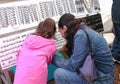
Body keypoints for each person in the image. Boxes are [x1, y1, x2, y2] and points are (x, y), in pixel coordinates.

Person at [52, 13, 114, 84]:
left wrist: (52, 57)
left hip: (102, 80)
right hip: (102, 75)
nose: (62, 36)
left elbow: (73, 66)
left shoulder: (80, 35)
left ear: (65, 28)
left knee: (59, 74)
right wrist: (69, 50)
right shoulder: (82, 29)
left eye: (60, 32)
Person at [13, 18, 57, 84]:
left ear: (38, 29)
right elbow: (49, 60)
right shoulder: (51, 45)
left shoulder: (27, 40)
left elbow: (18, 56)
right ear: (53, 32)